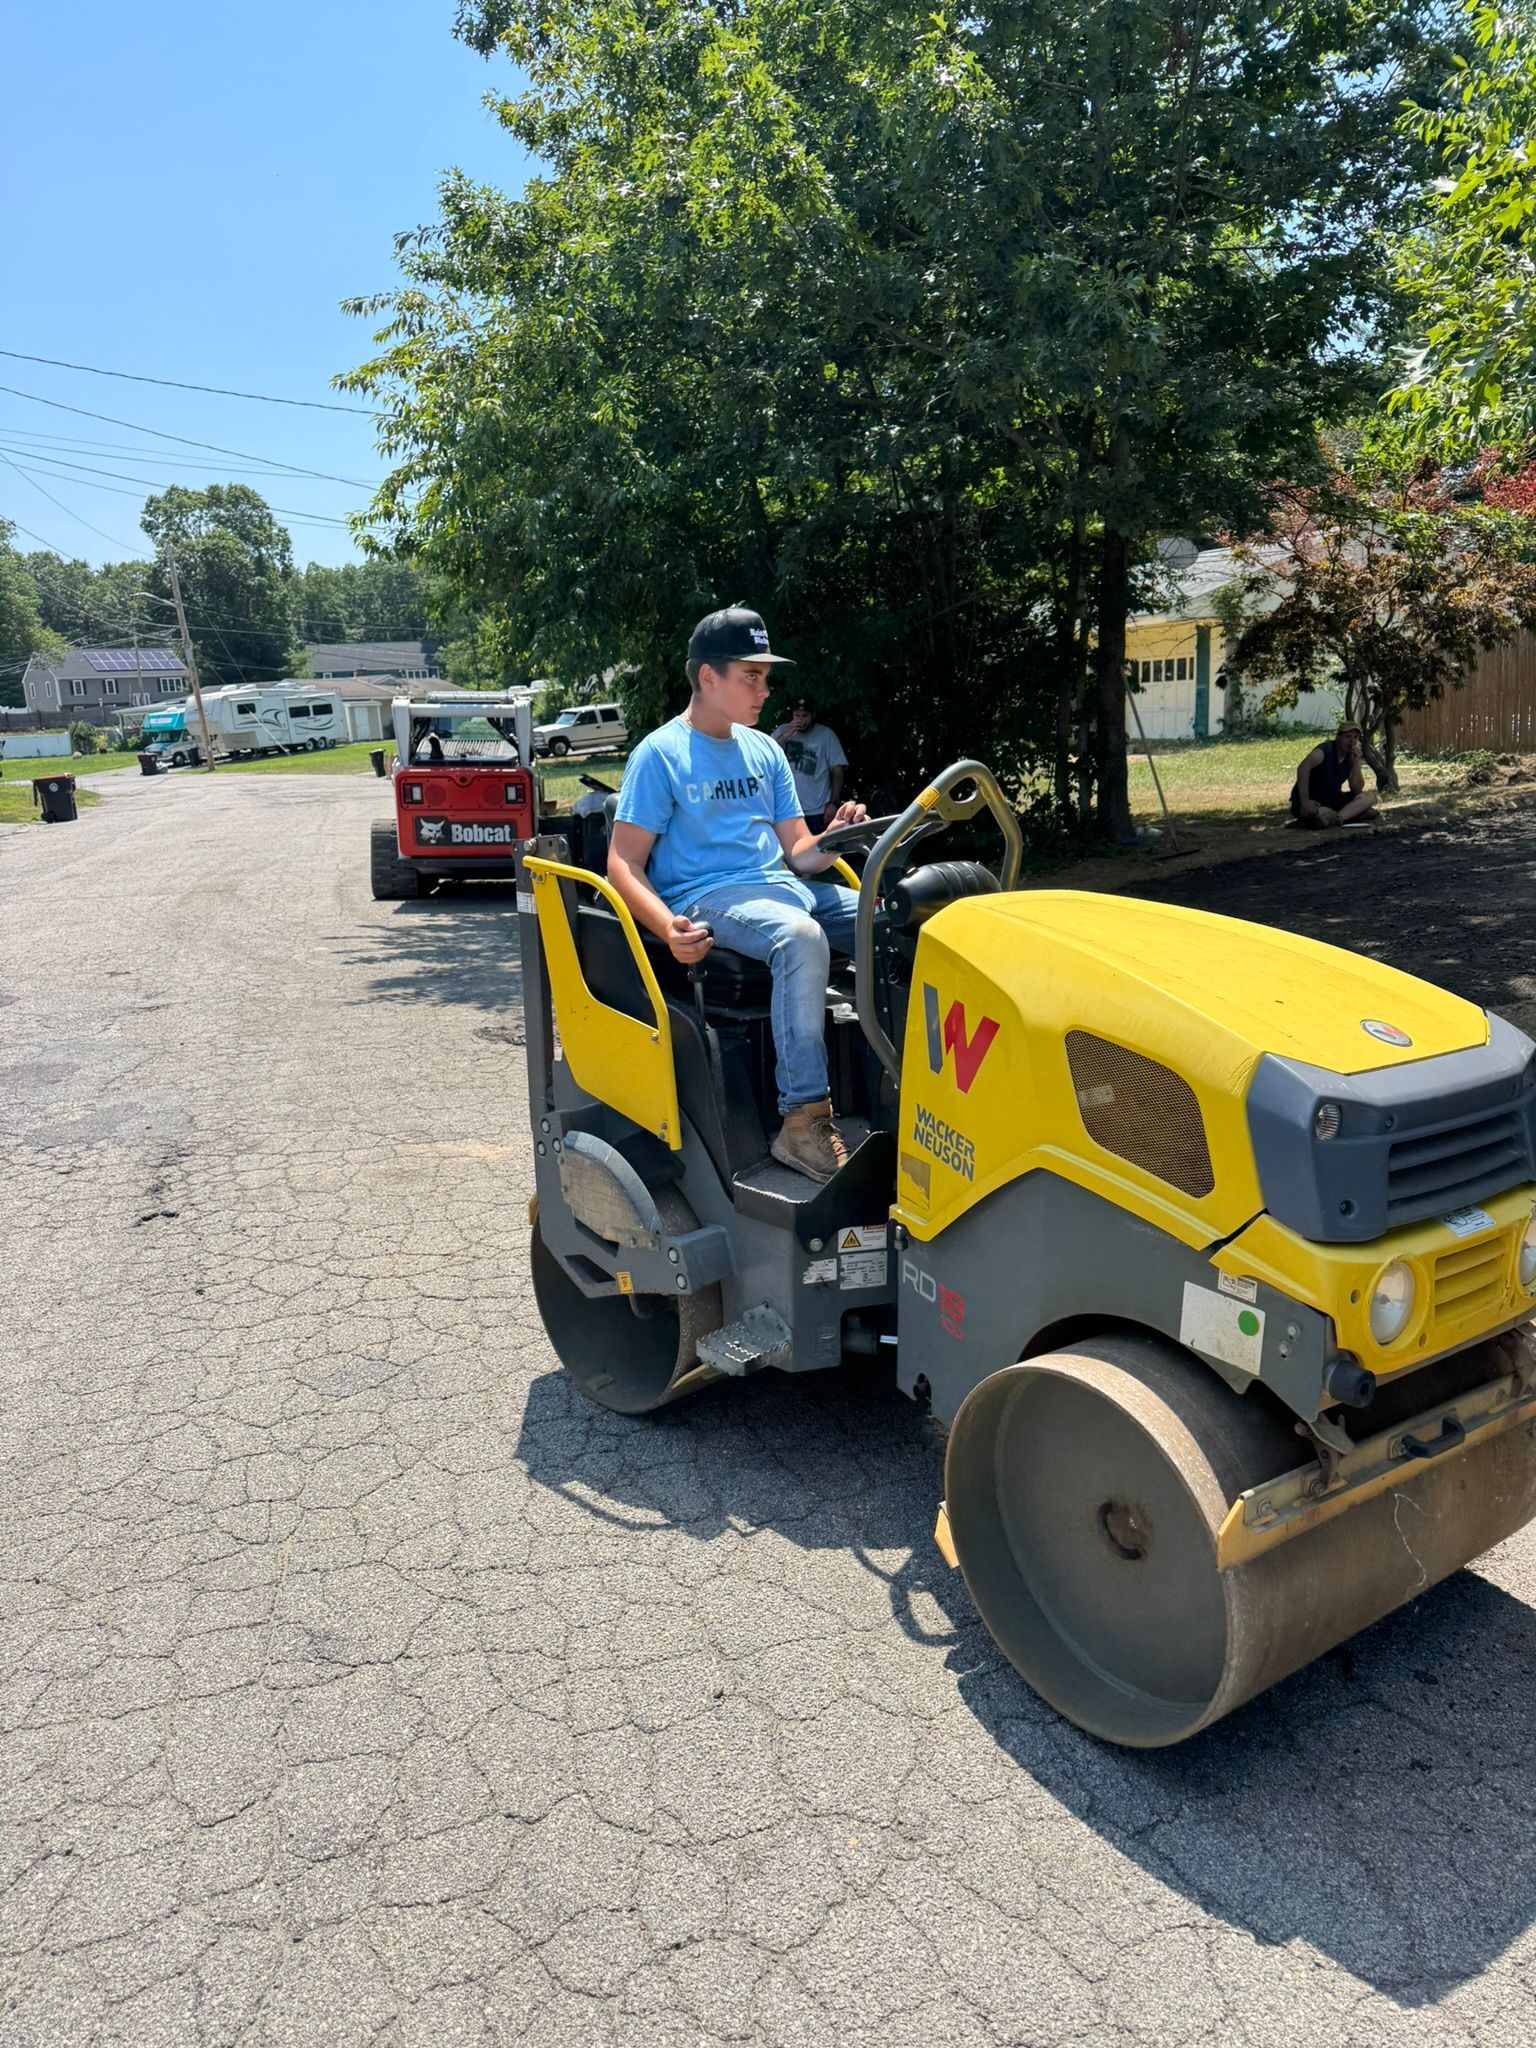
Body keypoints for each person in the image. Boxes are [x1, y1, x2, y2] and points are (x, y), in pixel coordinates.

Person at [608, 606, 867, 1183]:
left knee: (896, 917)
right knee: (799, 937)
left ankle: (919, 1086)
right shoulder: (660, 754)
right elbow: (623, 862)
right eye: (751, 676)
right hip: (709, 899)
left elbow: (800, 852)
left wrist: (838, 838)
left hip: (782, 888)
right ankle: (803, 1119)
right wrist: (665, 927)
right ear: (707, 678)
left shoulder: (765, 751)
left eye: (765, 677)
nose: (765, 690)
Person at [772, 695, 849, 831]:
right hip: (786, 808)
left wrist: (833, 803)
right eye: (797, 715)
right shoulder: (782, 731)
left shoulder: (826, 735)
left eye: (805, 716)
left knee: (817, 850)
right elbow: (766, 756)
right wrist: (786, 735)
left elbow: (837, 772)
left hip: (817, 810)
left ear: (812, 715)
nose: (801, 720)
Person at [1290, 722, 1379, 828]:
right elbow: (1303, 768)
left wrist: (1356, 763)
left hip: (1332, 798)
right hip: (1312, 799)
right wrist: (1305, 802)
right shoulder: (1325, 750)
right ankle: (1340, 816)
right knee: (1320, 816)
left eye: (1356, 737)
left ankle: (1339, 818)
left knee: (1370, 798)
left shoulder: (1351, 757)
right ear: (1338, 737)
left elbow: (1356, 789)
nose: (1352, 741)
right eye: (1348, 737)